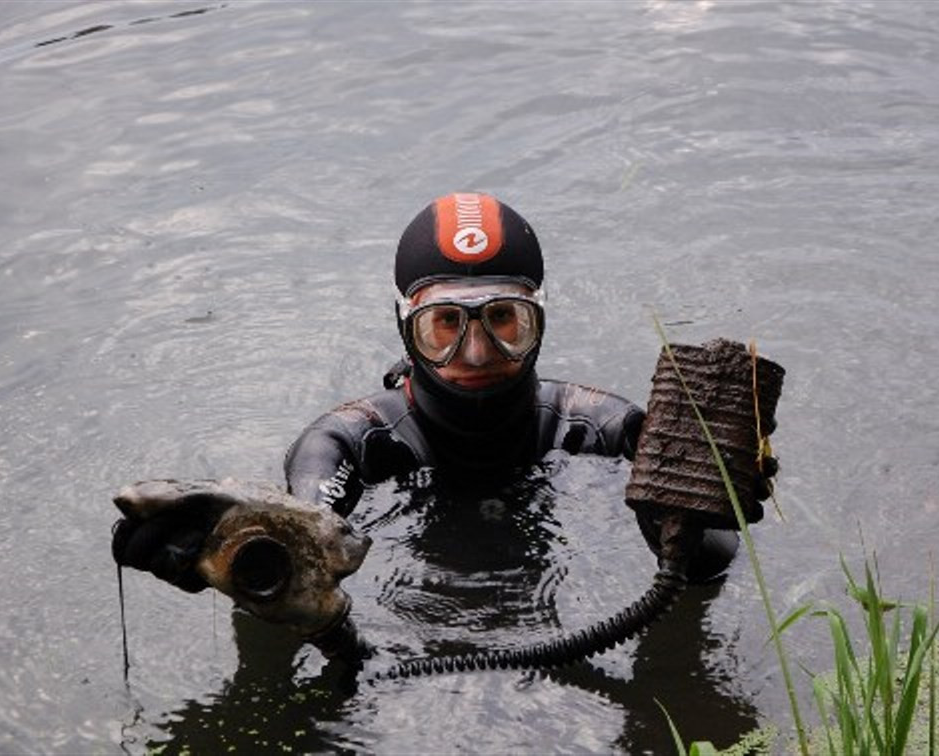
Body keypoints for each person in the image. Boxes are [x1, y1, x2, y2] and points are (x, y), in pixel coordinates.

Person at [113, 193, 773, 608]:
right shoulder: (346, 443)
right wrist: (239, 546)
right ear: (404, 327)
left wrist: (690, 518)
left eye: (504, 321)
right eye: (444, 326)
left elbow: (704, 576)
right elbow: (305, 539)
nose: (478, 354)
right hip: (413, 623)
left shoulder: (600, 427)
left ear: (540, 318)